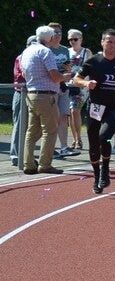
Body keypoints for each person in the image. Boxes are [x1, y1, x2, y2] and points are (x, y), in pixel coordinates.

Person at [72, 29, 115, 193]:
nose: (112, 45)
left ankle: (105, 168)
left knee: (104, 137)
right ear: (102, 42)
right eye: (109, 42)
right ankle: (97, 176)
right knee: (93, 143)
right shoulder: (93, 61)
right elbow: (76, 79)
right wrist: (86, 83)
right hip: (95, 107)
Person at [19, 26, 65, 174]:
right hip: (46, 96)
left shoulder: (26, 52)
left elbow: (24, 74)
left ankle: (28, 163)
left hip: (31, 94)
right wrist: (66, 77)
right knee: (50, 131)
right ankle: (45, 164)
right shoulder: (45, 52)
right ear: (49, 38)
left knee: (31, 132)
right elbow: (55, 76)